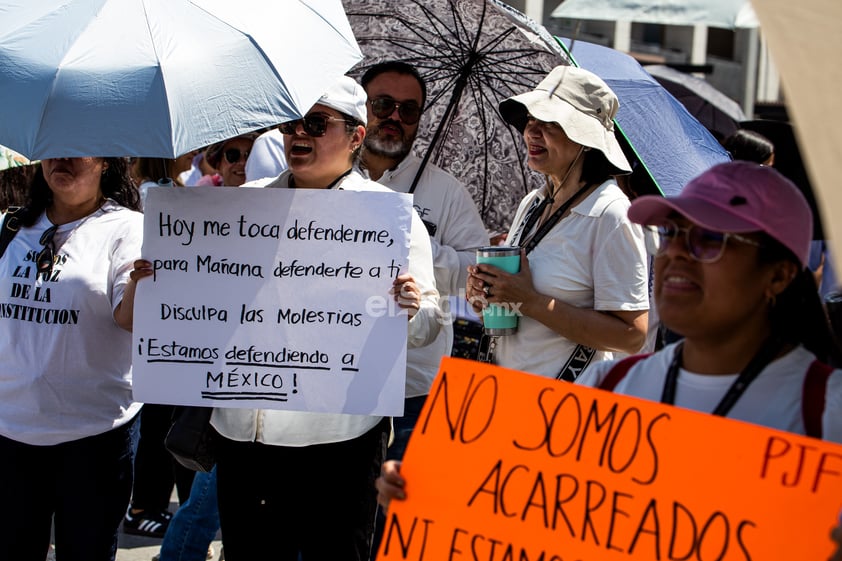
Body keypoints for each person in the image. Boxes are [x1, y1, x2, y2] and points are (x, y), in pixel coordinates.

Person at [134, 76, 440, 561]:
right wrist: (161, 277)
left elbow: (428, 326)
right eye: (291, 123)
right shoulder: (243, 204)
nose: (300, 135)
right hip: (244, 437)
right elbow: (201, 291)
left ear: (356, 136)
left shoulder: (389, 219)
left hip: (339, 441)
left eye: (317, 124)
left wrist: (410, 306)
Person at [0, 156, 144, 560]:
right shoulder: (12, 226)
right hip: (10, 431)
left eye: (79, 149)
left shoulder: (127, 228)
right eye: (55, 147)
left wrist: (144, 282)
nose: (63, 159)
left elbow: (129, 318)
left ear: (105, 163)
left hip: (93, 435)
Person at [465, 65, 650, 379]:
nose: (532, 132)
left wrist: (530, 301)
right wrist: (486, 295)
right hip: (502, 393)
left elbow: (632, 336)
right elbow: (516, 313)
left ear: (586, 139)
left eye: (550, 122)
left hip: (565, 407)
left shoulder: (611, 213)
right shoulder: (533, 202)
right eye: (530, 120)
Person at [359, 61, 489, 459]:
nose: (394, 117)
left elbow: (480, 270)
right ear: (361, 110)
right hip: (333, 375)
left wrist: (418, 249)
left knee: (399, 514)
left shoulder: (446, 191)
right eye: (383, 105)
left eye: (408, 109)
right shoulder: (325, 176)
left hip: (414, 387)